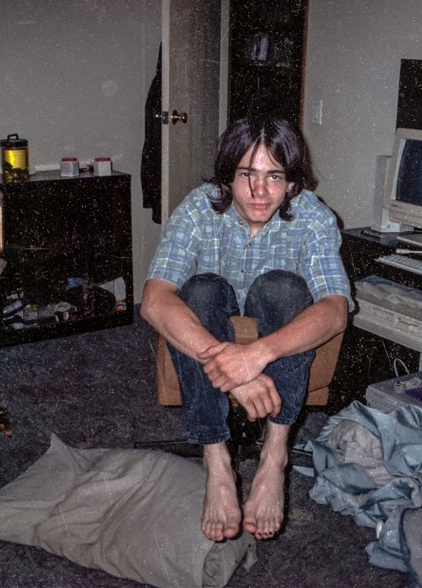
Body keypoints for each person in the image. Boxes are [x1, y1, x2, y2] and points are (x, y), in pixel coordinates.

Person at [141, 116, 350, 542]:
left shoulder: (313, 216)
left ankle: (275, 453)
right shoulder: (197, 208)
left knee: (284, 287)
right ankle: (216, 458)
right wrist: (236, 376)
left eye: (274, 176)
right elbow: (154, 300)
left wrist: (255, 357)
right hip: (210, 325)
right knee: (198, 290)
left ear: (292, 183)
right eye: (246, 175)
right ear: (227, 176)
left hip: (272, 336)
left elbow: (335, 310)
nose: (259, 191)